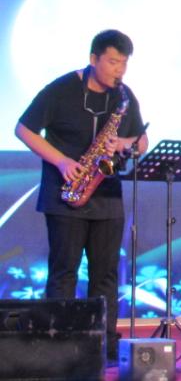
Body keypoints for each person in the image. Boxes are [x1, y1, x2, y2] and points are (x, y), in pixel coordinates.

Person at [14, 29, 148, 361]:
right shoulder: (60, 89)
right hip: (66, 193)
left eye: (124, 63)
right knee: (64, 273)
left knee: (106, 276)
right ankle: (58, 347)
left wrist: (124, 144)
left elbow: (142, 141)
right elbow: (23, 129)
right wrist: (61, 161)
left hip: (108, 196)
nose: (119, 70)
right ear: (93, 59)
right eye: (113, 62)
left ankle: (105, 345)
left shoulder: (124, 96)